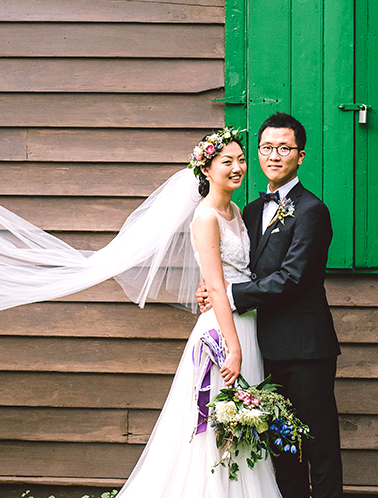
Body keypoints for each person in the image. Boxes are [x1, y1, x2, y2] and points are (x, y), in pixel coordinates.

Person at [114, 129, 281, 498]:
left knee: (242, 423)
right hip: (223, 333)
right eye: (227, 162)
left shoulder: (236, 211)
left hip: (246, 324)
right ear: (206, 169)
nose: (238, 168)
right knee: (214, 422)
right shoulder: (205, 218)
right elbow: (217, 286)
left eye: (241, 159)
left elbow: (233, 275)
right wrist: (233, 348)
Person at [200, 112, 343, 498]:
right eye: (266, 148)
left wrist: (228, 295)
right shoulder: (248, 211)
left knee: (318, 442)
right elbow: (242, 268)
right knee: (281, 447)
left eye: (284, 148)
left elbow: (293, 279)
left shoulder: (312, 211)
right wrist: (214, 287)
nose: (274, 155)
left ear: (301, 155)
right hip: (263, 347)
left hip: (305, 349)